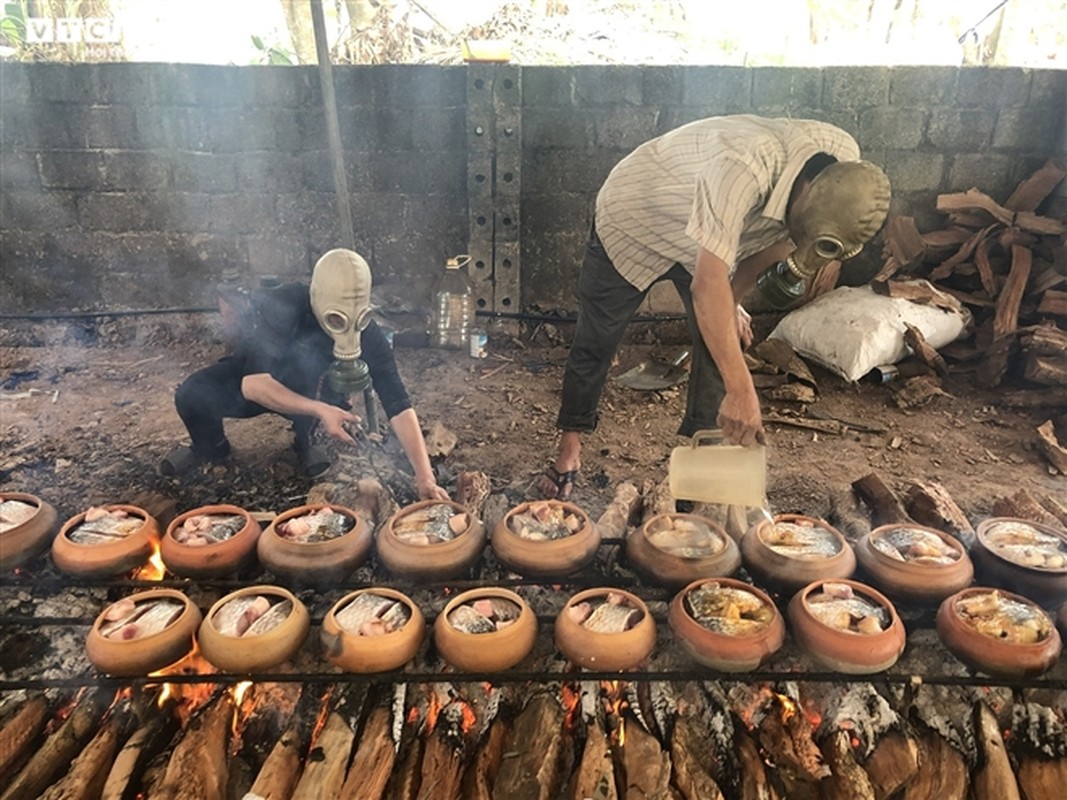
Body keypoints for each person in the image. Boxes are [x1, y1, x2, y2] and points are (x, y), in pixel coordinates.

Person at [535, 115, 891, 500]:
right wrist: (742, 390)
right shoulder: (742, 167)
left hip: (709, 236)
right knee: (596, 340)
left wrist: (731, 299)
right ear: (804, 193)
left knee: (721, 342)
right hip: (636, 218)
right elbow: (707, 286)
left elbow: (776, 241)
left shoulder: (846, 175)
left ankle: (700, 472)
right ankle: (568, 453)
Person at [161, 248, 449, 501]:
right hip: (262, 376)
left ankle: (306, 440)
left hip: (317, 388)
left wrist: (425, 478)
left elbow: (398, 402)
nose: (348, 328)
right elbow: (253, 385)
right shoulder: (284, 306)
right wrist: (320, 409)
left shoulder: (369, 334)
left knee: (315, 377)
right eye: (337, 318)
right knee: (191, 394)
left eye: (356, 317)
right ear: (316, 297)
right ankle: (210, 448)